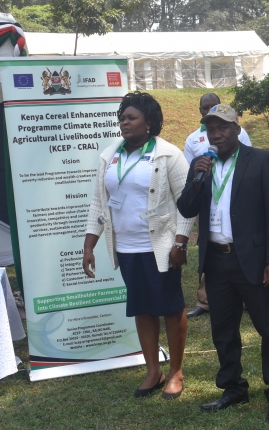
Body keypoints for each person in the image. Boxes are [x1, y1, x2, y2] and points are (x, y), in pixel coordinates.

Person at [177, 104, 269, 420]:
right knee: (223, 330)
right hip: (216, 260)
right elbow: (186, 208)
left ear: (237, 130)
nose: (216, 134)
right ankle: (233, 388)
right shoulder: (201, 164)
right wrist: (197, 181)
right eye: (211, 129)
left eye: (223, 128)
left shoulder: (260, 160)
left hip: (251, 260)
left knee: (268, 329)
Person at [83, 92, 194, 399]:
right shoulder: (109, 156)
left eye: (131, 117)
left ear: (149, 122)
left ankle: (176, 372)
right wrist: (89, 245)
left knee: (170, 308)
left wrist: (181, 243)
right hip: (126, 248)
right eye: (122, 118)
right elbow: (98, 203)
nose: (124, 122)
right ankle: (153, 371)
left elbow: (187, 202)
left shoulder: (168, 154)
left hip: (161, 246)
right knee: (142, 309)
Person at [183, 93, 252, 319]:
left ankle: (245, 296)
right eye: (205, 107)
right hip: (207, 204)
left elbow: (248, 162)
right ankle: (205, 301)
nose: (209, 110)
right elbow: (190, 176)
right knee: (211, 248)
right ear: (200, 110)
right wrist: (197, 181)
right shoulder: (193, 139)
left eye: (214, 106)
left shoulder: (240, 133)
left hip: (235, 203)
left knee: (239, 246)